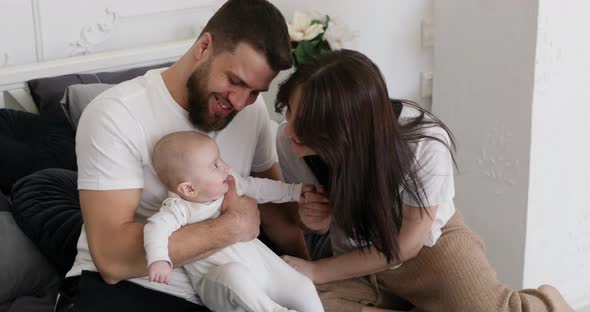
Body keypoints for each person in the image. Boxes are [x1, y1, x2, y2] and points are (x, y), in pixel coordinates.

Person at [274, 49, 575, 312]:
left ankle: (544, 303)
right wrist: (314, 220)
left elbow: (407, 244)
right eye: (289, 111)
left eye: (304, 121)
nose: (288, 129)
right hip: (356, 256)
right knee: (303, 302)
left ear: (343, 125)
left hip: (428, 249)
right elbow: (312, 221)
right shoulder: (290, 142)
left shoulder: (423, 143)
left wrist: (318, 270)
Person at [56, 0, 304, 311]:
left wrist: (313, 273)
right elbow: (112, 259)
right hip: (129, 287)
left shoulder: (251, 112)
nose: (240, 102)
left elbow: (279, 218)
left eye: (255, 91)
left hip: (221, 290)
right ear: (204, 46)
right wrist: (231, 227)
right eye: (235, 81)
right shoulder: (116, 114)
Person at [144, 131, 323, 312]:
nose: (225, 167)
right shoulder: (179, 208)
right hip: (221, 286)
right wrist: (159, 259)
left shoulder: (228, 184)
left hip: (260, 272)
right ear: (189, 189)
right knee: (234, 275)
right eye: (215, 165)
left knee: (303, 286)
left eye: (220, 159)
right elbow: (155, 228)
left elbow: (259, 187)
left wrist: (294, 192)